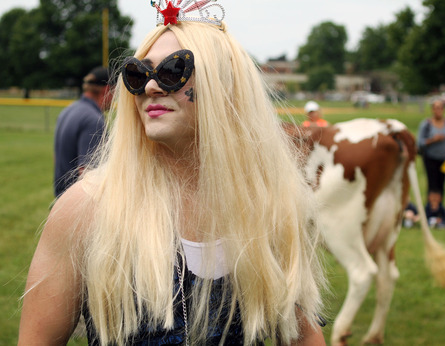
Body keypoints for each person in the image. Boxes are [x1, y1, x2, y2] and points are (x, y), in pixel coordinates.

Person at [18, 2, 326, 345]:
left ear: (224, 85)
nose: (150, 87)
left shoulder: (269, 205)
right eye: (138, 74)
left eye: (172, 70)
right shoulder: (86, 209)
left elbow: (301, 334)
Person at [53, 66, 113, 197]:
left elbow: (57, 158)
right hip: (77, 205)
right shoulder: (93, 119)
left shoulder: (68, 110)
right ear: (107, 90)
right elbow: (87, 173)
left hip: (62, 200)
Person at [417, 100, 445, 200]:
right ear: (432, 110)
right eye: (435, 108)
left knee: (441, 183)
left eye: (440, 108)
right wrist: (433, 140)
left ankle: (439, 206)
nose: (438, 110)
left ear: (443, 110)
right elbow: (419, 143)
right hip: (430, 158)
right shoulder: (426, 124)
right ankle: (431, 208)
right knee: (432, 184)